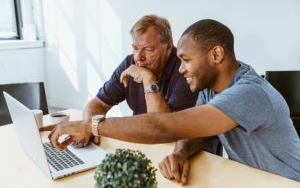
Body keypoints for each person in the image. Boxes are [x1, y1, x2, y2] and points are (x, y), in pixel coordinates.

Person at [42, 19, 300, 184]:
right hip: (252, 180)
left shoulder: (250, 93)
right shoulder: (211, 89)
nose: (182, 69)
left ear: (216, 55)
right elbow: (193, 134)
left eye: (186, 60)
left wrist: (91, 126)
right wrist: (180, 153)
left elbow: (164, 127)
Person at [75, 14, 199, 148]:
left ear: (168, 47)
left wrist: (148, 79)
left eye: (148, 49)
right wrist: (90, 127)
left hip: (179, 149)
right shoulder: (130, 63)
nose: (139, 57)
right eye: (135, 48)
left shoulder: (185, 69)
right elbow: (97, 103)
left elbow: (163, 129)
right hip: (144, 143)